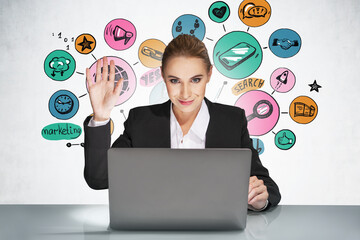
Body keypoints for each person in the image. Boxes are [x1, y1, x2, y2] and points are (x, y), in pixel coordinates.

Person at [83, 34, 281, 211]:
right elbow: (100, 179)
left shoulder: (232, 121)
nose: (185, 93)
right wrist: (101, 117)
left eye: (195, 80)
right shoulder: (141, 121)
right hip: (154, 230)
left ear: (209, 75)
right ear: (162, 76)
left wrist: (260, 199)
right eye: (175, 81)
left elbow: (267, 186)